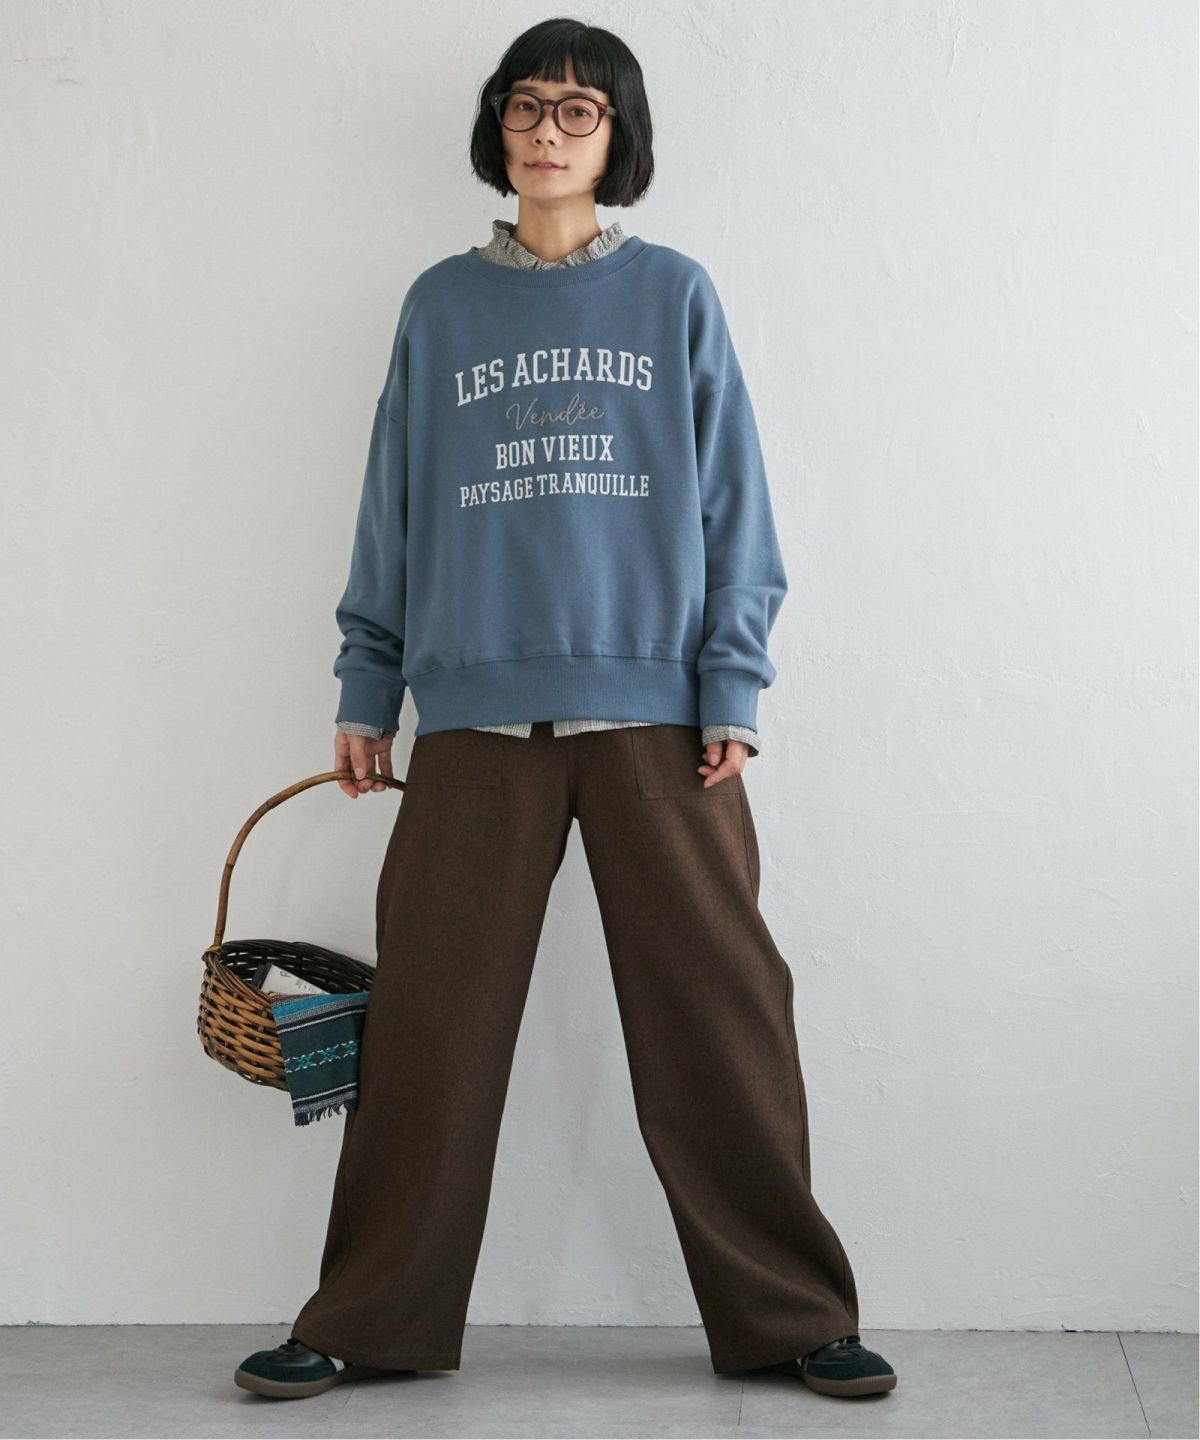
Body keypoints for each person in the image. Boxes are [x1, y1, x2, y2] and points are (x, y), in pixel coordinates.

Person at [234, 17, 896, 1403]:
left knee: (721, 1020)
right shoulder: (441, 307)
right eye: (527, 105)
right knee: (430, 1030)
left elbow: (735, 506)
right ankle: (370, 1318)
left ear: (616, 137)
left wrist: (731, 682)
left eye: (579, 110)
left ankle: (790, 1316)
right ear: (499, 126)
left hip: (660, 724)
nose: (548, 130)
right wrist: (367, 681)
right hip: (476, 723)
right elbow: (393, 505)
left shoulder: (673, 295)